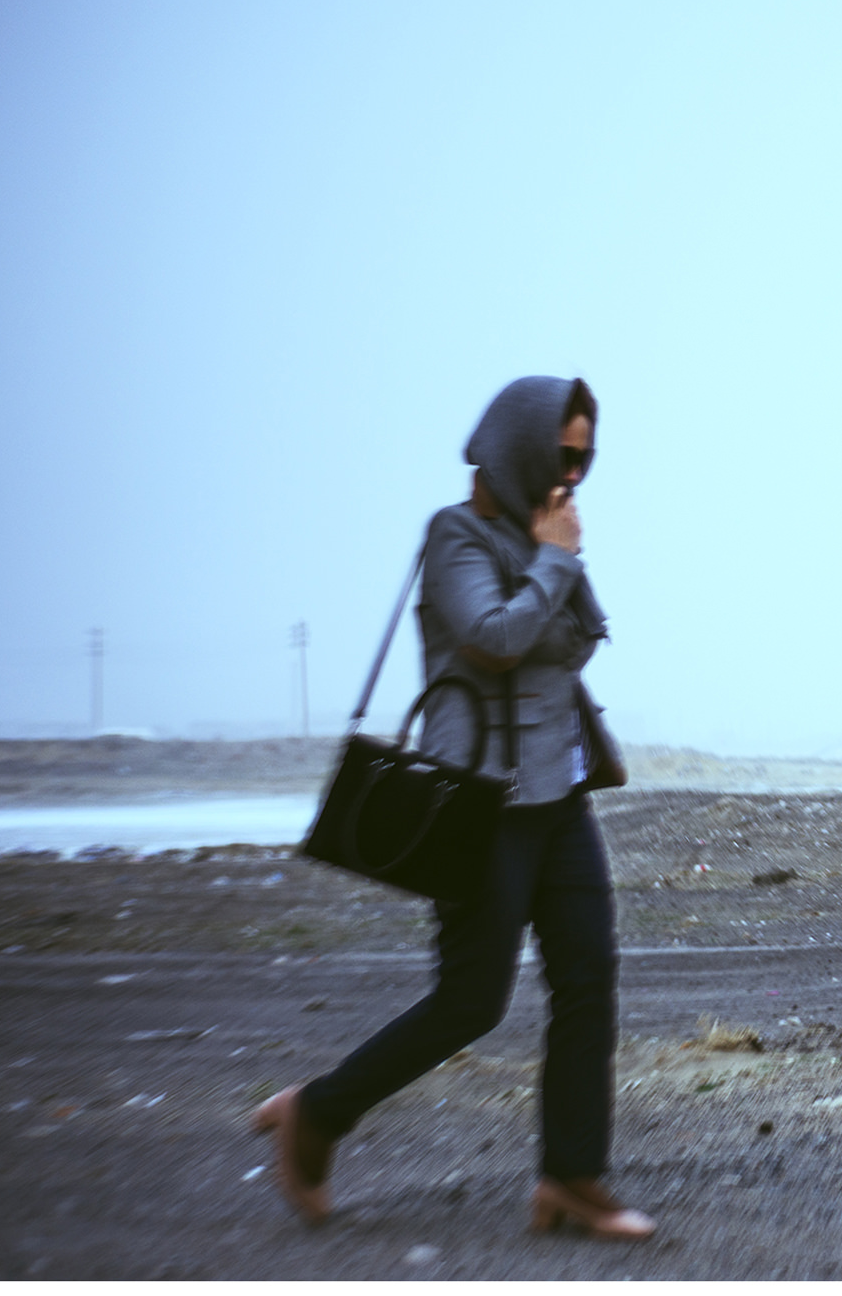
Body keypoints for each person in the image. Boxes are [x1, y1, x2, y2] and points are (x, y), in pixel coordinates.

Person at [251, 376, 654, 1241]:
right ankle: (316, 1113)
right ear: (520, 450)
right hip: (482, 807)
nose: (576, 474)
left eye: (586, 455)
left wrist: (550, 569)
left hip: (560, 797)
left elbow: (583, 637)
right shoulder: (456, 536)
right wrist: (554, 564)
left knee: (589, 982)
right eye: (563, 454)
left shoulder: (540, 537)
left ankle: (573, 1181)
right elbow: (497, 639)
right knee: (471, 1001)